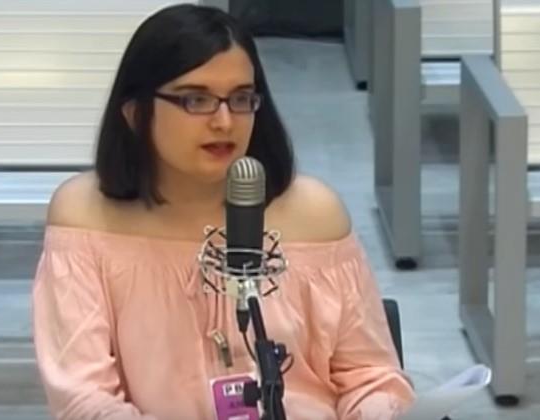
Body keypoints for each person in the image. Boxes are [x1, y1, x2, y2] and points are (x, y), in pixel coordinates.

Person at [32, 4, 415, 420]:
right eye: (196, 99)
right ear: (135, 111)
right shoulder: (85, 219)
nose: (224, 121)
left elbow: (370, 377)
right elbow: (84, 399)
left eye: (240, 99)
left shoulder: (315, 214)